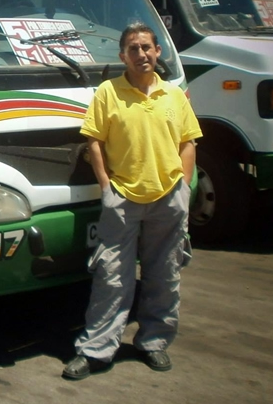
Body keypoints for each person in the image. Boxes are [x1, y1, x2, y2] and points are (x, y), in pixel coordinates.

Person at [62, 22, 202, 380]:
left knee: (164, 276)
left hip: (168, 198)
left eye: (147, 47)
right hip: (123, 199)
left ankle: (154, 342)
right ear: (123, 56)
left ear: (158, 52)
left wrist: (183, 189)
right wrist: (108, 189)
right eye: (133, 49)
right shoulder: (109, 92)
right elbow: (95, 141)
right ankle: (95, 350)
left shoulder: (173, 95)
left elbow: (188, 143)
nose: (142, 54)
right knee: (111, 277)